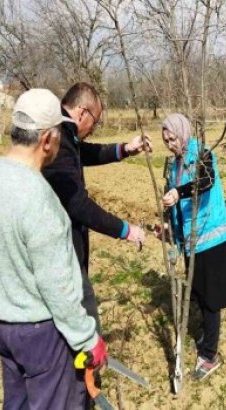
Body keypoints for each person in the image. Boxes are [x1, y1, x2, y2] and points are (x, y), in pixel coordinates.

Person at [0, 89, 107, 409]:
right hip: (40, 334)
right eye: (59, 136)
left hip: (2, 326)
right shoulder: (39, 198)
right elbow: (57, 287)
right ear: (47, 140)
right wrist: (88, 340)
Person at [42, 82, 150, 330]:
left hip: (65, 247)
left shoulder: (65, 134)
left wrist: (125, 149)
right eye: (96, 121)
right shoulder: (57, 137)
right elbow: (78, 205)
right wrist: (126, 230)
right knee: (83, 318)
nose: (94, 128)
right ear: (82, 112)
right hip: (61, 250)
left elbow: (85, 153)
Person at [156, 113, 226, 380]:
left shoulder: (201, 153)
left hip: (210, 237)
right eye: (165, 140)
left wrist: (180, 192)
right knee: (199, 293)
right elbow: (176, 206)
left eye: (173, 138)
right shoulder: (174, 164)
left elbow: (206, 181)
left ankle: (210, 355)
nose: (170, 143)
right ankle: (207, 338)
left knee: (211, 299)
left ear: (184, 133)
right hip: (191, 242)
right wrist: (169, 230)